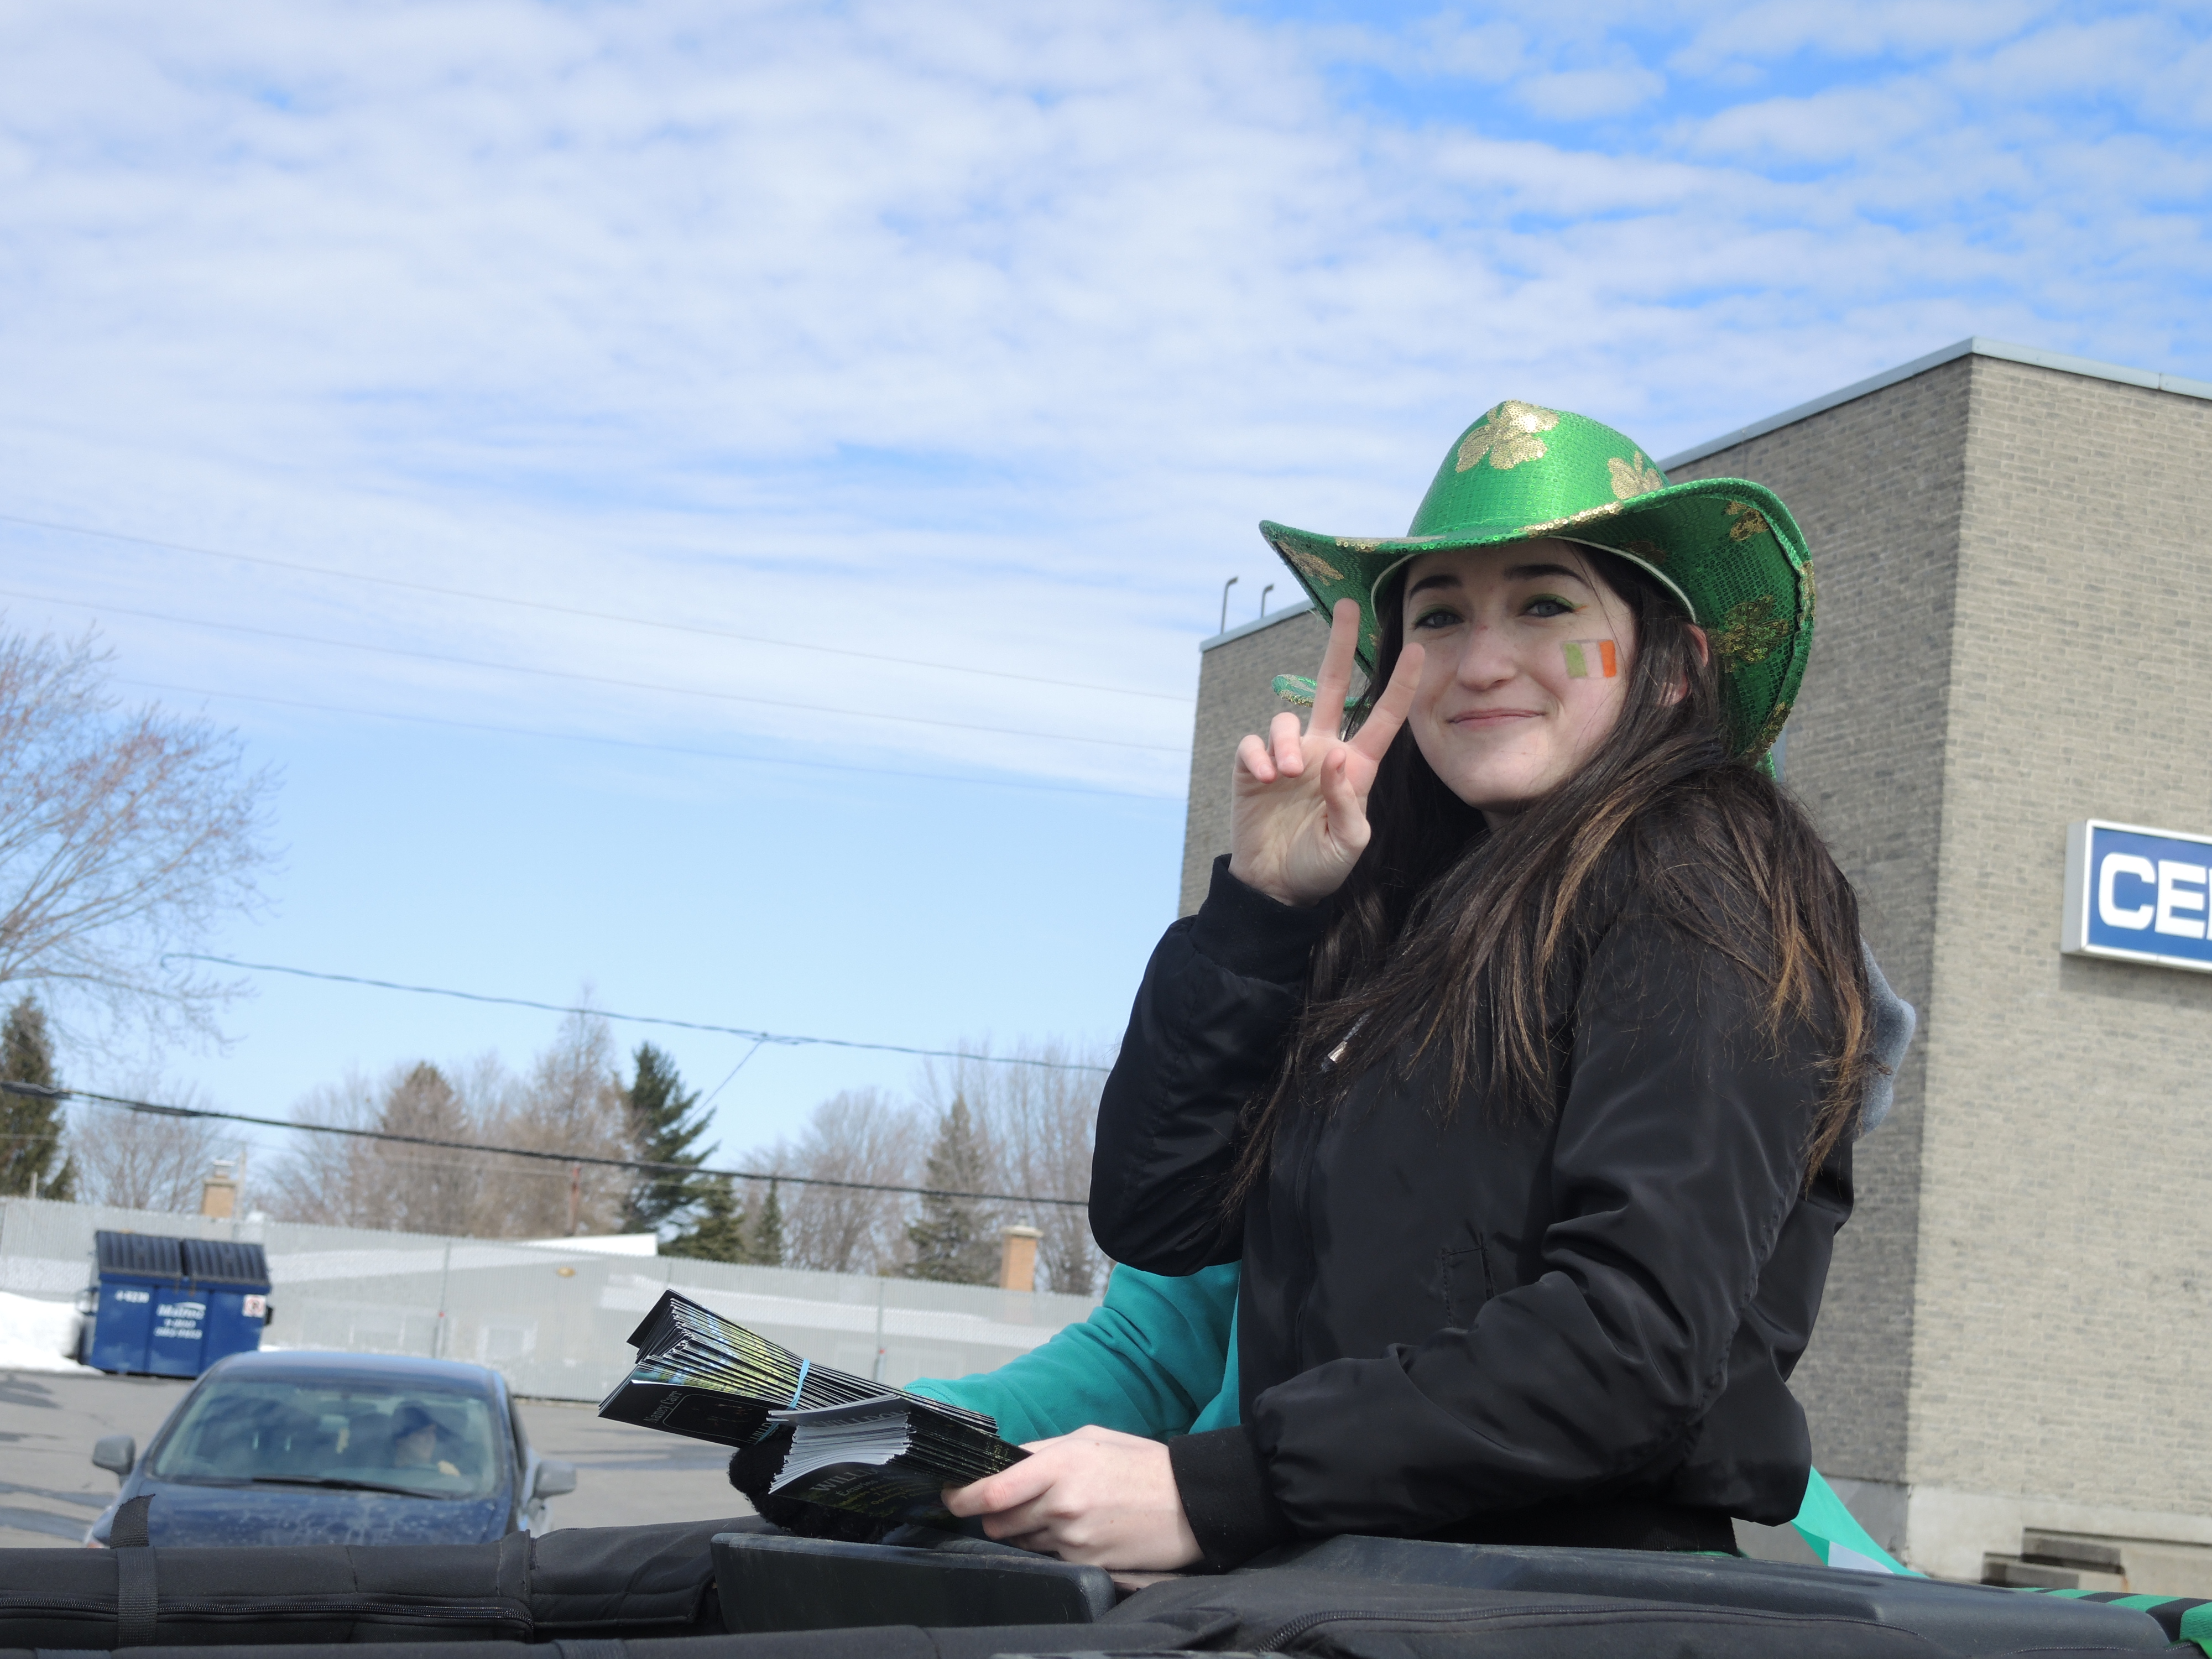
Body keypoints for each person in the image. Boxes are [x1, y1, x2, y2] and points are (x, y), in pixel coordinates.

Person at [942, 400, 1879, 1572]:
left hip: (1549, 1597)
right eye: (1437, 617)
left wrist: (1212, 1489)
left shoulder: (1699, 871)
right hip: (1342, 1574)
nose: (1480, 661)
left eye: (1545, 604)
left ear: (1674, 664)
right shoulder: (1395, 921)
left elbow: (1629, 1345)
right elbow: (1161, 1219)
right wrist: (1261, 914)